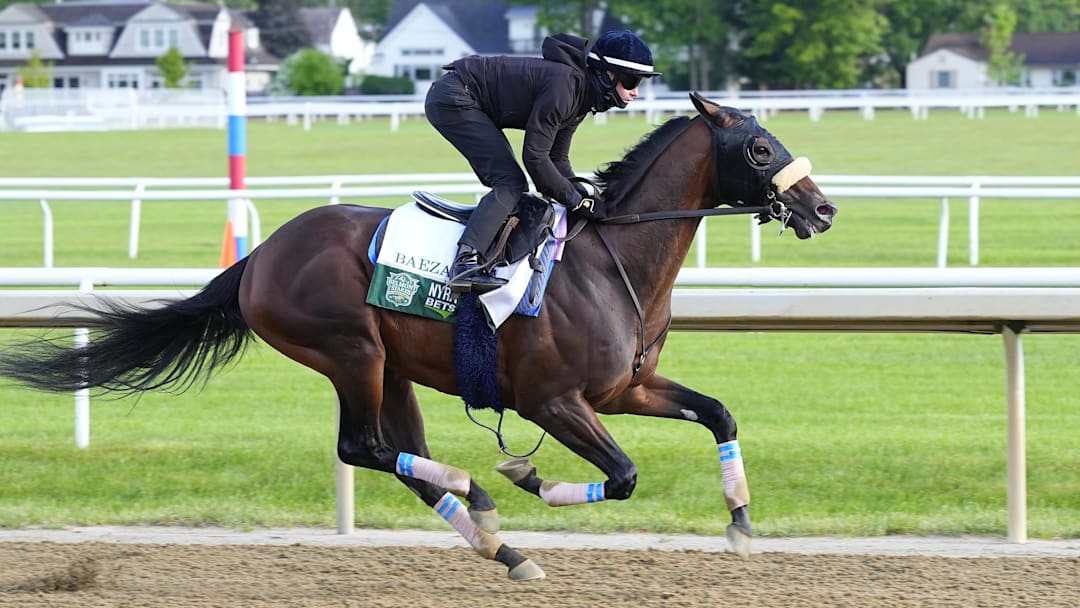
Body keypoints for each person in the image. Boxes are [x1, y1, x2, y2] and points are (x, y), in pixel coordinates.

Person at [424, 29, 660, 293]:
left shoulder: (581, 97)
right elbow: (535, 158)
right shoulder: (565, 88)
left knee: (513, 183)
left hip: (469, 97)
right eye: (631, 82)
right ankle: (465, 263)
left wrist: (585, 195)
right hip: (454, 97)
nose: (636, 92)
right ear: (608, 74)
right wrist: (575, 201)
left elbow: (557, 158)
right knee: (510, 183)